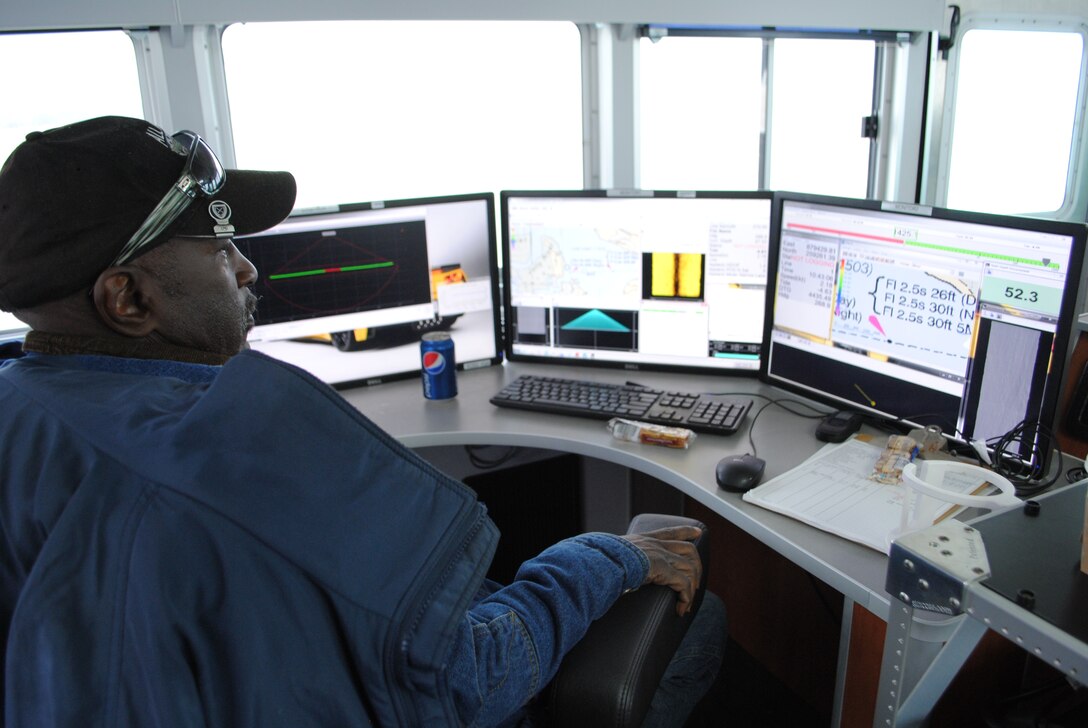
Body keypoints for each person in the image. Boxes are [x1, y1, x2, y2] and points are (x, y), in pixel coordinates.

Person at [0, 116, 725, 727]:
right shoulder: (226, 466)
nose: (248, 270)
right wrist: (606, 556)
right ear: (126, 300)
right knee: (704, 623)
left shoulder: (25, 407)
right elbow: (471, 682)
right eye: (221, 249)